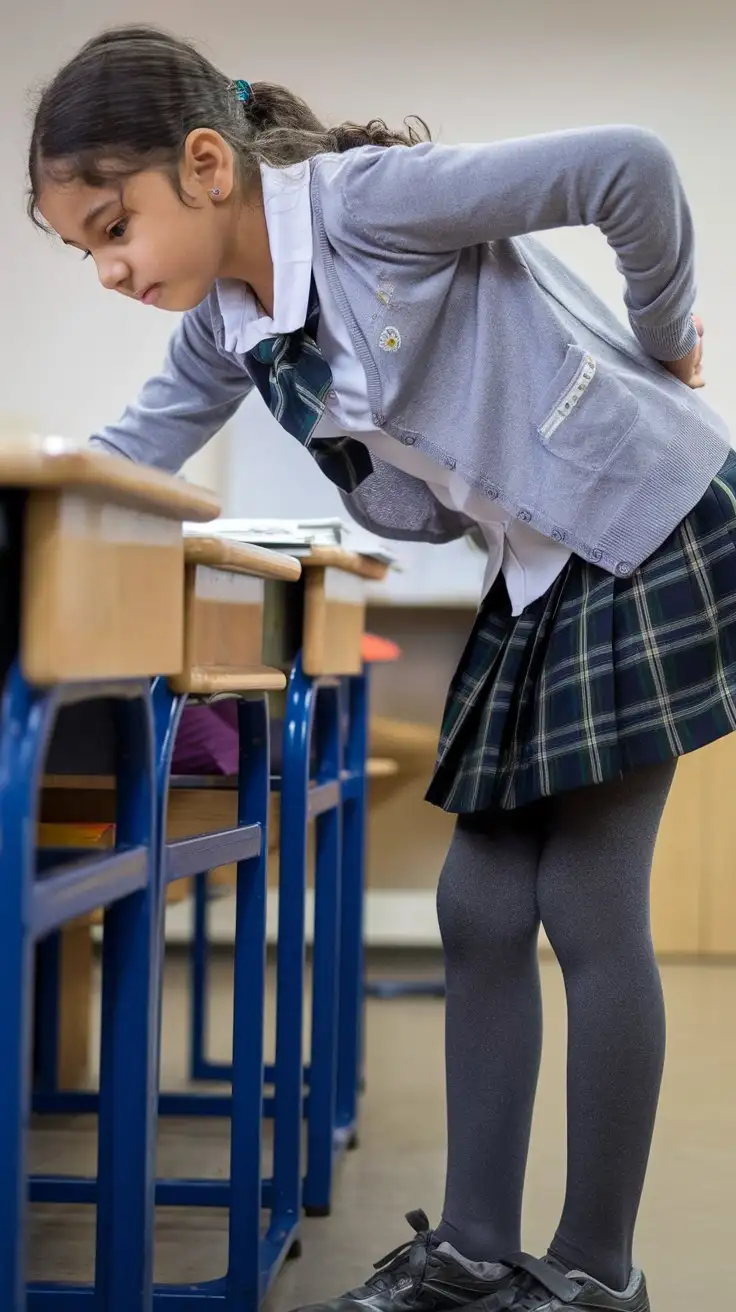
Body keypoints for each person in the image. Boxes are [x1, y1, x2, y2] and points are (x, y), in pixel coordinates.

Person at [28, 24, 732, 1312]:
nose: (109, 269)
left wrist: (664, 336)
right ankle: (472, 1250)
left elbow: (630, 168)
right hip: (545, 567)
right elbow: (133, 457)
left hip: (651, 521)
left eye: (112, 226)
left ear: (204, 165)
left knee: (588, 905)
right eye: (82, 251)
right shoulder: (227, 330)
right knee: (477, 906)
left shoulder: (363, 206)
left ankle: (594, 1274)